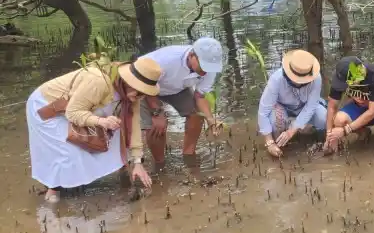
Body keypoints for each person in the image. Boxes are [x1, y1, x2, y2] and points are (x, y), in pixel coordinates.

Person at [26, 58, 162, 202]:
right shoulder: (99, 81)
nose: (139, 97)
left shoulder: (131, 93)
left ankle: (122, 171)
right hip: (47, 106)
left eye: (144, 94)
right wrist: (101, 121)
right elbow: (73, 113)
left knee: (116, 131)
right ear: (128, 81)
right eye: (139, 92)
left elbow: (134, 125)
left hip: (77, 106)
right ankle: (53, 191)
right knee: (68, 152)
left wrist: (138, 162)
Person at [138, 37, 225, 165]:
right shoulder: (166, 60)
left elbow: (200, 96)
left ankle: (188, 155)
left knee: (197, 115)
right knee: (157, 125)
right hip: (146, 85)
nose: (205, 71)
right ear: (191, 56)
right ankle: (160, 163)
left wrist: (210, 119)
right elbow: (144, 81)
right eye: (203, 66)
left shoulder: (209, 69)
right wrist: (157, 113)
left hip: (177, 88)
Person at [324, 56, 374, 155]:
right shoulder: (340, 76)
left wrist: (346, 130)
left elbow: (372, 112)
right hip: (360, 108)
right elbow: (332, 106)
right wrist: (329, 135)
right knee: (339, 119)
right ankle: (363, 133)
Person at [257, 49, 327, 157]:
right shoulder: (276, 79)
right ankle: (279, 145)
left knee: (323, 118)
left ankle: (319, 142)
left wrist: (292, 131)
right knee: (275, 122)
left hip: (305, 105)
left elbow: (311, 106)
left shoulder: (316, 78)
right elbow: (263, 111)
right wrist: (269, 142)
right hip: (282, 107)